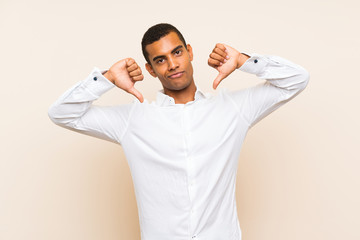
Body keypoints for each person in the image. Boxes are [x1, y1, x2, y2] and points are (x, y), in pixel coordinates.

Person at [48, 23, 309, 240]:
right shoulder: (133, 119)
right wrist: (105, 79)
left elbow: (297, 80)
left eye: (177, 52)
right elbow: (61, 113)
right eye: (160, 59)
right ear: (150, 69)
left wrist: (243, 61)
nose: (172, 64)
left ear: (190, 52)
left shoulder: (232, 109)